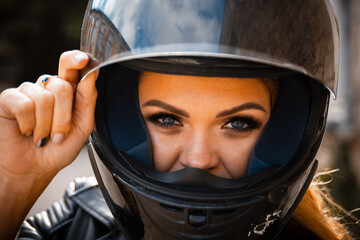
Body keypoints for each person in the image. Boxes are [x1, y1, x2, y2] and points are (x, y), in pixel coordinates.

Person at [0, 0, 358, 239]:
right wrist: (12, 184)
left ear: (287, 131)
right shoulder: (73, 228)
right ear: (119, 121)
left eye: (238, 124)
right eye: (167, 119)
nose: (199, 159)